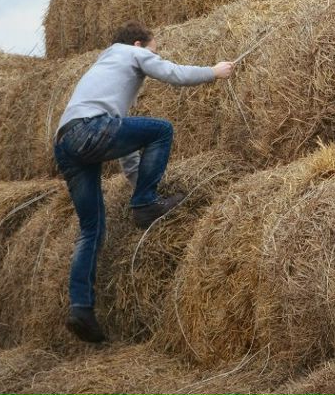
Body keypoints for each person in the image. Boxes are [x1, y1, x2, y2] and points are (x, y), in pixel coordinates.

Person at [53, 20, 234, 343]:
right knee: (162, 129)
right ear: (139, 45)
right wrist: (213, 72)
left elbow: (124, 145)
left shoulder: (103, 69)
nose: (156, 54)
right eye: (154, 49)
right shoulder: (128, 53)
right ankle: (145, 203)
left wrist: (140, 181)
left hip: (67, 142)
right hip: (90, 130)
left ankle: (81, 309)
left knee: (91, 229)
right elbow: (173, 74)